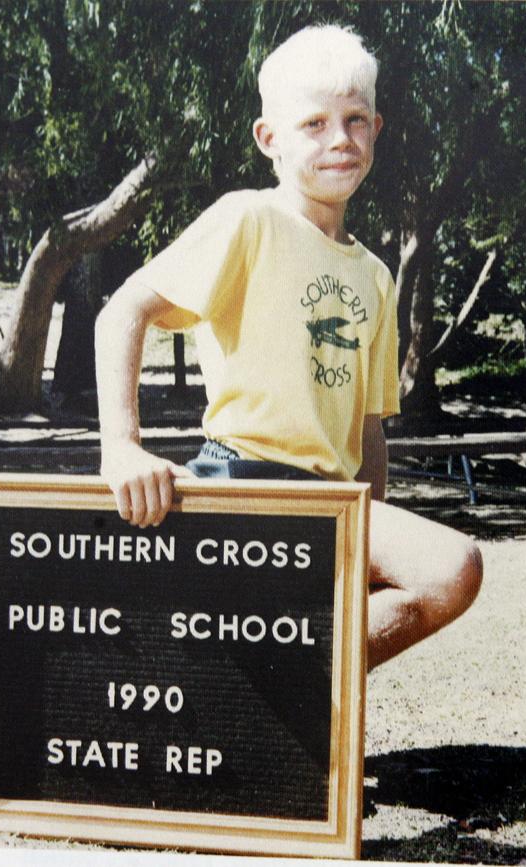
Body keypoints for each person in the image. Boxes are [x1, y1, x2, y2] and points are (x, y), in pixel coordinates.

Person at [95, 24, 483, 670]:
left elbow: (368, 428)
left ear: (378, 129)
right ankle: (277, 687)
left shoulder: (377, 277)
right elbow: (123, 310)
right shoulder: (249, 219)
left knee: (453, 568)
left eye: (356, 119)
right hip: (239, 481)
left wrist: (366, 545)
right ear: (269, 139)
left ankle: (293, 688)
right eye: (315, 123)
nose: (340, 139)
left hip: (328, 502)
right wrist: (122, 446)